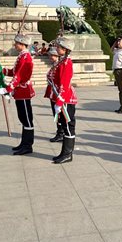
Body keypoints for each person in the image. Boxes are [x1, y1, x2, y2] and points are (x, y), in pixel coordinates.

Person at [0, 34, 36, 155]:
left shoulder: (25, 56)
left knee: (27, 119)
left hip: (24, 90)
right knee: (23, 118)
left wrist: (8, 88)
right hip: (20, 91)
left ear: (22, 44)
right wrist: (2, 70)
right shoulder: (22, 56)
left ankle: (28, 145)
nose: (14, 45)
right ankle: (24, 143)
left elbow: (19, 76)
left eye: (16, 43)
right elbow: (15, 72)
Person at [51, 36, 78, 164]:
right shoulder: (63, 61)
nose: (56, 48)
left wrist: (60, 101)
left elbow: (65, 84)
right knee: (64, 124)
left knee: (68, 126)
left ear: (65, 49)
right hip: (62, 97)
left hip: (66, 99)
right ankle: (64, 152)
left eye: (59, 47)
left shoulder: (67, 63)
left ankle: (68, 153)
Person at [44, 46, 65, 142]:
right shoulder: (54, 65)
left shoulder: (59, 65)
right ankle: (59, 132)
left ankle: (61, 133)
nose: (50, 57)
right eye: (50, 55)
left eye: (52, 55)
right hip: (53, 92)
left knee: (59, 115)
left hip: (58, 93)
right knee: (56, 114)